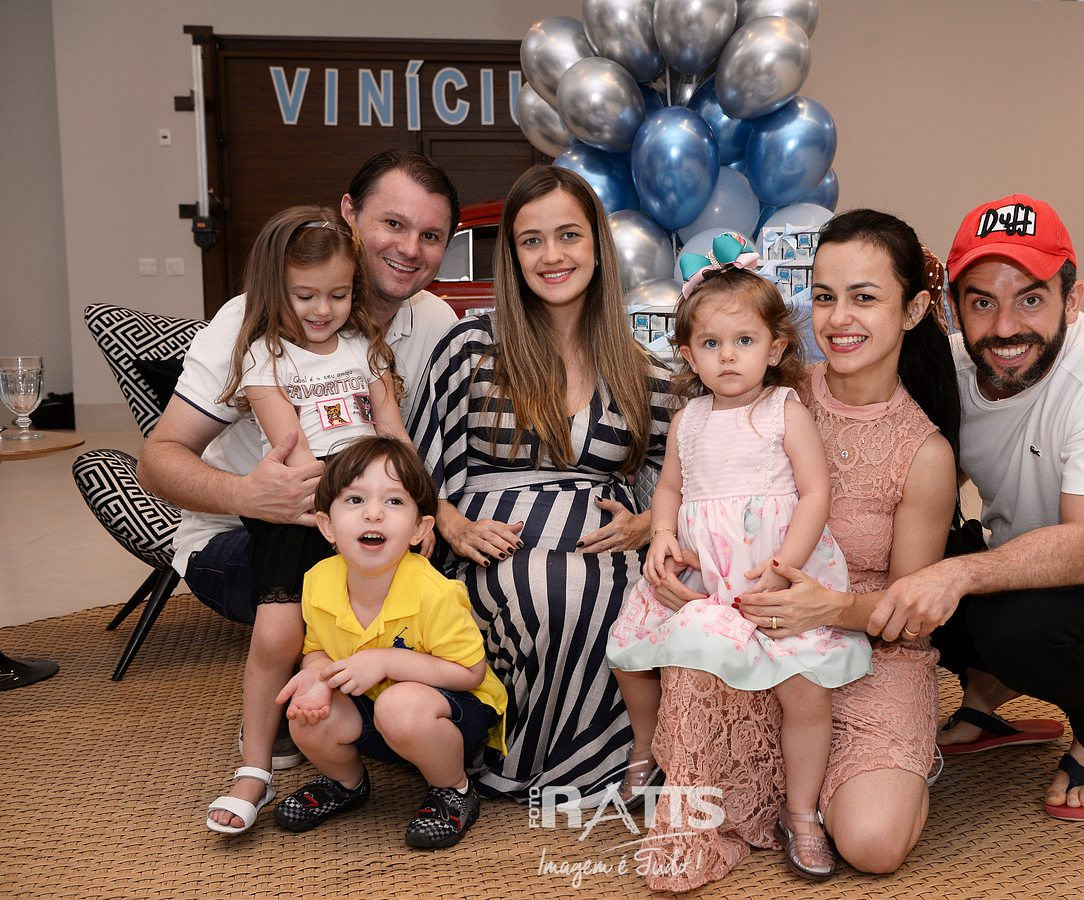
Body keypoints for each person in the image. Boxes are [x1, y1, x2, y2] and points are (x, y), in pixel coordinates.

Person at [640, 209, 958, 888]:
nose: (838, 318)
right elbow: (705, 486)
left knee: (872, 845)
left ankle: (898, 761)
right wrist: (656, 534)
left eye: (864, 297)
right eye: (824, 296)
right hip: (755, 624)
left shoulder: (924, 452)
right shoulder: (766, 385)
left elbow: (911, 615)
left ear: (912, 311)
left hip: (871, 651)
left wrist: (828, 608)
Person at [139, 150, 458, 825]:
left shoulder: (423, 326)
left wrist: (431, 512)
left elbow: (400, 437)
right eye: (393, 224)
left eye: (430, 235)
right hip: (253, 533)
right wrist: (246, 495)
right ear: (349, 216)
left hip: (366, 514)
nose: (410, 248)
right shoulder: (252, 332)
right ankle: (266, 749)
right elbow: (158, 462)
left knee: (436, 577)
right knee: (292, 622)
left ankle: (400, 716)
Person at [871, 194, 1084, 822]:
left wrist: (953, 576)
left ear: (1072, 300)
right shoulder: (956, 368)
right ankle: (988, 695)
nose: (1004, 328)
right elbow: (923, 484)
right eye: (981, 302)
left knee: (1004, 619)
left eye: (1030, 299)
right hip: (1021, 568)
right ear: (952, 306)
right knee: (900, 561)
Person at [411, 165, 678, 803]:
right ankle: (512, 752)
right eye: (532, 240)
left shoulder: (643, 369)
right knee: (542, 591)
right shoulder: (470, 348)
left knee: (617, 600)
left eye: (569, 236)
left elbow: (692, 472)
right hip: (486, 547)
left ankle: (624, 758)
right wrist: (453, 524)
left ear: (597, 247)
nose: (552, 255)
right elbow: (415, 466)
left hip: (607, 548)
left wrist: (648, 523)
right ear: (512, 256)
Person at [606, 239, 870, 880]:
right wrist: (661, 534)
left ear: (775, 349)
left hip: (772, 576)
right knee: (630, 651)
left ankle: (801, 813)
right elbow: (670, 489)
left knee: (804, 689)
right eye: (711, 343)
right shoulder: (690, 419)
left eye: (744, 341)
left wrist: (785, 566)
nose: (728, 356)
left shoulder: (783, 411)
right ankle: (646, 747)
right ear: (688, 353)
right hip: (706, 572)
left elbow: (816, 493)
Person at [205, 206, 411, 834]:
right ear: (276, 290)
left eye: (338, 294)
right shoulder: (264, 359)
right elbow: (292, 449)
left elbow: (393, 433)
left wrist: (412, 501)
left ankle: (385, 738)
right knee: (278, 638)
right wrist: (344, 502)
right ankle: (253, 768)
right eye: (305, 296)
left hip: (372, 503)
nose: (323, 310)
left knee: (385, 626)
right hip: (301, 511)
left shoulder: (367, 349)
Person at [269, 437, 506, 849]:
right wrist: (316, 677)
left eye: (394, 501)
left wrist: (385, 661)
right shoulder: (318, 581)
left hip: (451, 716)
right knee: (307, 714)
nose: (374, 513)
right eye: (355, 500)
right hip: (374, 711)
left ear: (419, 529)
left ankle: (454, 788)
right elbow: (317, 649)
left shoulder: (433, 592)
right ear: (327, 526)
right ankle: (346, 784)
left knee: (400, 706)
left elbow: (470, 673)